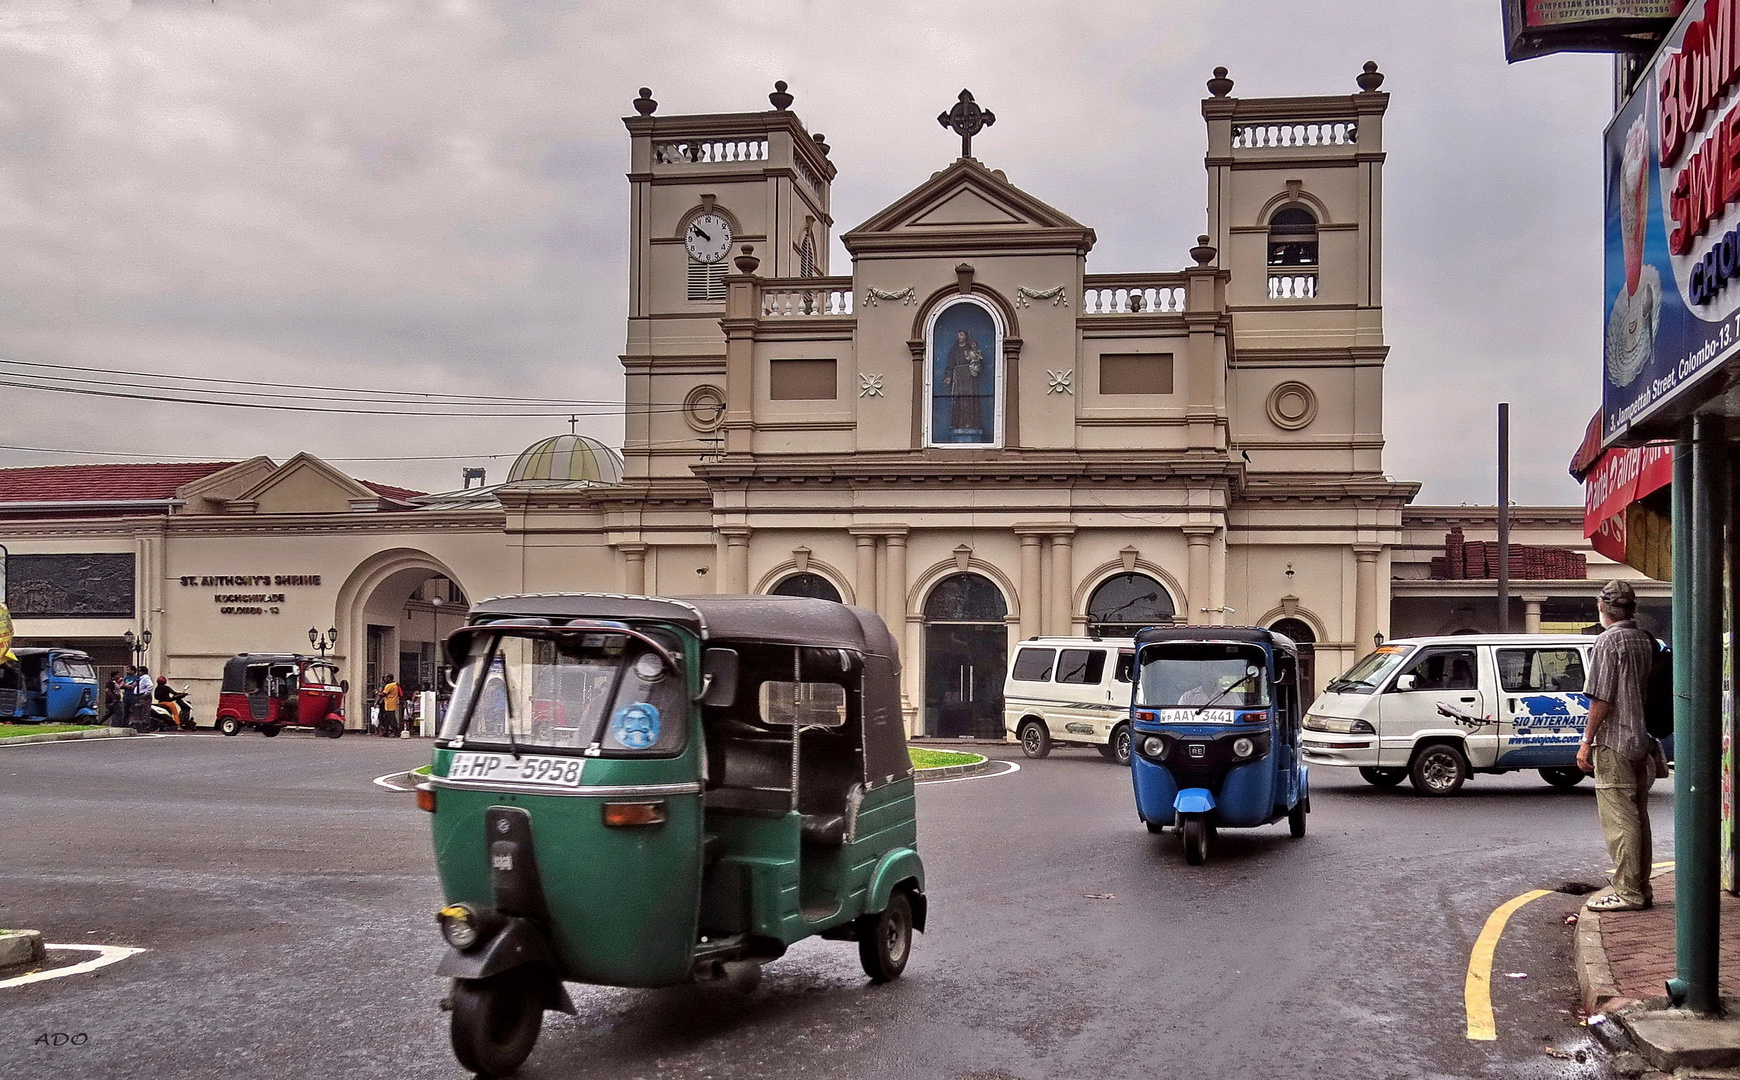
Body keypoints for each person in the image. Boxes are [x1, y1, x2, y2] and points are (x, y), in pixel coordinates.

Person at [1577, 579, 1658, 912]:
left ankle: (1627, 892)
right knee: (1638, 815)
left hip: (1615, 740)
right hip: (1643, 738)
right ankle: (1641, 885)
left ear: (1602, 607)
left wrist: (1586, 741)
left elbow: (1601, 698)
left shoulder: (1608, 642)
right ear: (1632, 608)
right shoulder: (1645, 640)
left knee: (1620, 820)